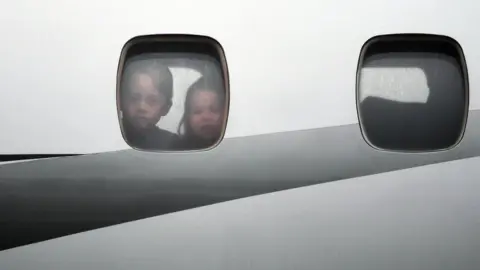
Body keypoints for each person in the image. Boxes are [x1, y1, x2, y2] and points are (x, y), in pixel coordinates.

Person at [120, 59, 179, 150]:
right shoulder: (107, 136)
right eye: (134, 98)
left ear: (166, 108)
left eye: (152, 101)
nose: (141, 107)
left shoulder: (174, 143)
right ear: (121, 101)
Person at [175, 75, 226, 150]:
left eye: (214, 109)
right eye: (198, 111)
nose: (206, 117)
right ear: (188, 117)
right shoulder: (178, 149)